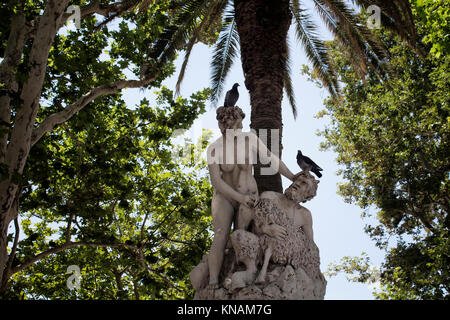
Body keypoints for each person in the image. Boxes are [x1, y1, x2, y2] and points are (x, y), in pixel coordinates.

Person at [206, 106, 297, 289]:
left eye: (233, 121)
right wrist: (239, 198)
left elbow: (272, 159)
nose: (229, 125)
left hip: (250, 195)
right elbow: (216, 181)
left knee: (245, 235)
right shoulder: (214, 149)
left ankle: (246, 272)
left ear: (239, 121)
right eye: (223, 122)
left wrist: (293, 177)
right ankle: (213, 283)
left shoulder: (250, 139)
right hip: (225, 196)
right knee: (221, 234)